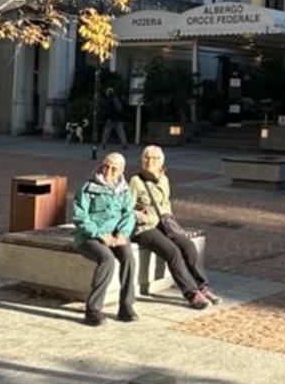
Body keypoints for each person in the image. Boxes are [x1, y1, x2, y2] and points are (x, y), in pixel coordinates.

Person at [129, 143, 218, 308]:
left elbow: (166, 204)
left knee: (189, 246)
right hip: (144, 228)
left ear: (161, 162)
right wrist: (140, 215)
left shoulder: (164, 179)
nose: (150, 161)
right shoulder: (135, 181)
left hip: (164, 224)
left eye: (154, 158)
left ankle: (203, 286)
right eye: (146, 158)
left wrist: (172, 224)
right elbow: (126, 207)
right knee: (173, 252)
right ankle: (191, 293)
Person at [72, 151, 137, 327]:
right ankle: (93, 310)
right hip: (89, 237)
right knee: (107, 259)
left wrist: (123, 233)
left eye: (114, 169)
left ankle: (126, 306)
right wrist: (101, 235)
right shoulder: (88, 187)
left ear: (122, 171)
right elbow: (80, 217)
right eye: (106, 166)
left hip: (115, 236)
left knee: (129, 258)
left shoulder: (124, 190)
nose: (108, 172)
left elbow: (128, 214)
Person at [100, 82, 127, 148]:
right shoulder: (117, 99)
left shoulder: (108, 101)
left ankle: (103, 144)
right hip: (118, 118)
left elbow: (108, 110)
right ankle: (124, 144)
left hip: (111, 119)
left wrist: (108, 117)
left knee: (106, 132)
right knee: (121, 132)